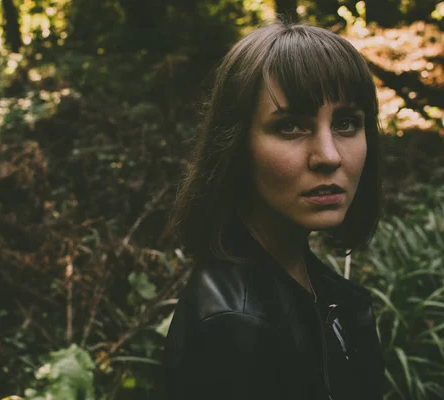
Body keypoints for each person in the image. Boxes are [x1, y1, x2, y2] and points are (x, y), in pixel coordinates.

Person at [163, 21, 385, 400]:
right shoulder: (236, 329)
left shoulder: (311, 282)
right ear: (236, 145)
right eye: (291, 127)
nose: (329, 156)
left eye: (346, 123)